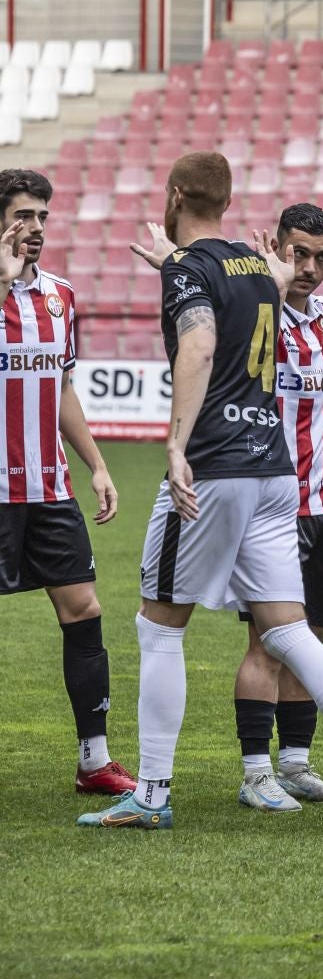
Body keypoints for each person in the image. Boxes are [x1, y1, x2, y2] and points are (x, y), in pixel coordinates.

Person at [82, 151, 323, 834]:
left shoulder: (193, 269)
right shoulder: (260, 268)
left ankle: (153, 791)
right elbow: (240, 290)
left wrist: (176, 442)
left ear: (173, 195)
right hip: (277, 473)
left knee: (158, 624)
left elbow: (198, 343)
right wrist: (176, 263)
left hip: (217, 467)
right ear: (230, 203)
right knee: (289, 629)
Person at [0, 170, 131, 798]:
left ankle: (94, 761)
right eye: (23, 216)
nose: (35, 229)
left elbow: (62, 387)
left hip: (49, 489)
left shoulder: (59, 296)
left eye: (42, 217)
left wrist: (97, 465)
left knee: (84, 612)